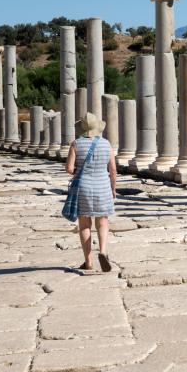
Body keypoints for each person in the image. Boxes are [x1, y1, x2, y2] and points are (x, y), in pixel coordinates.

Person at [65, 112, 116, 272]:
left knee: (85, 225)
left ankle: (88, 262)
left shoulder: (76, 144)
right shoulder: (106, 144)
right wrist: (113, 189)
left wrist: (79, 171)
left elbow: (69, 169)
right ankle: (103, 251)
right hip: (103, 186)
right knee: (102, 222)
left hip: (83, 188)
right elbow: (113, 170)